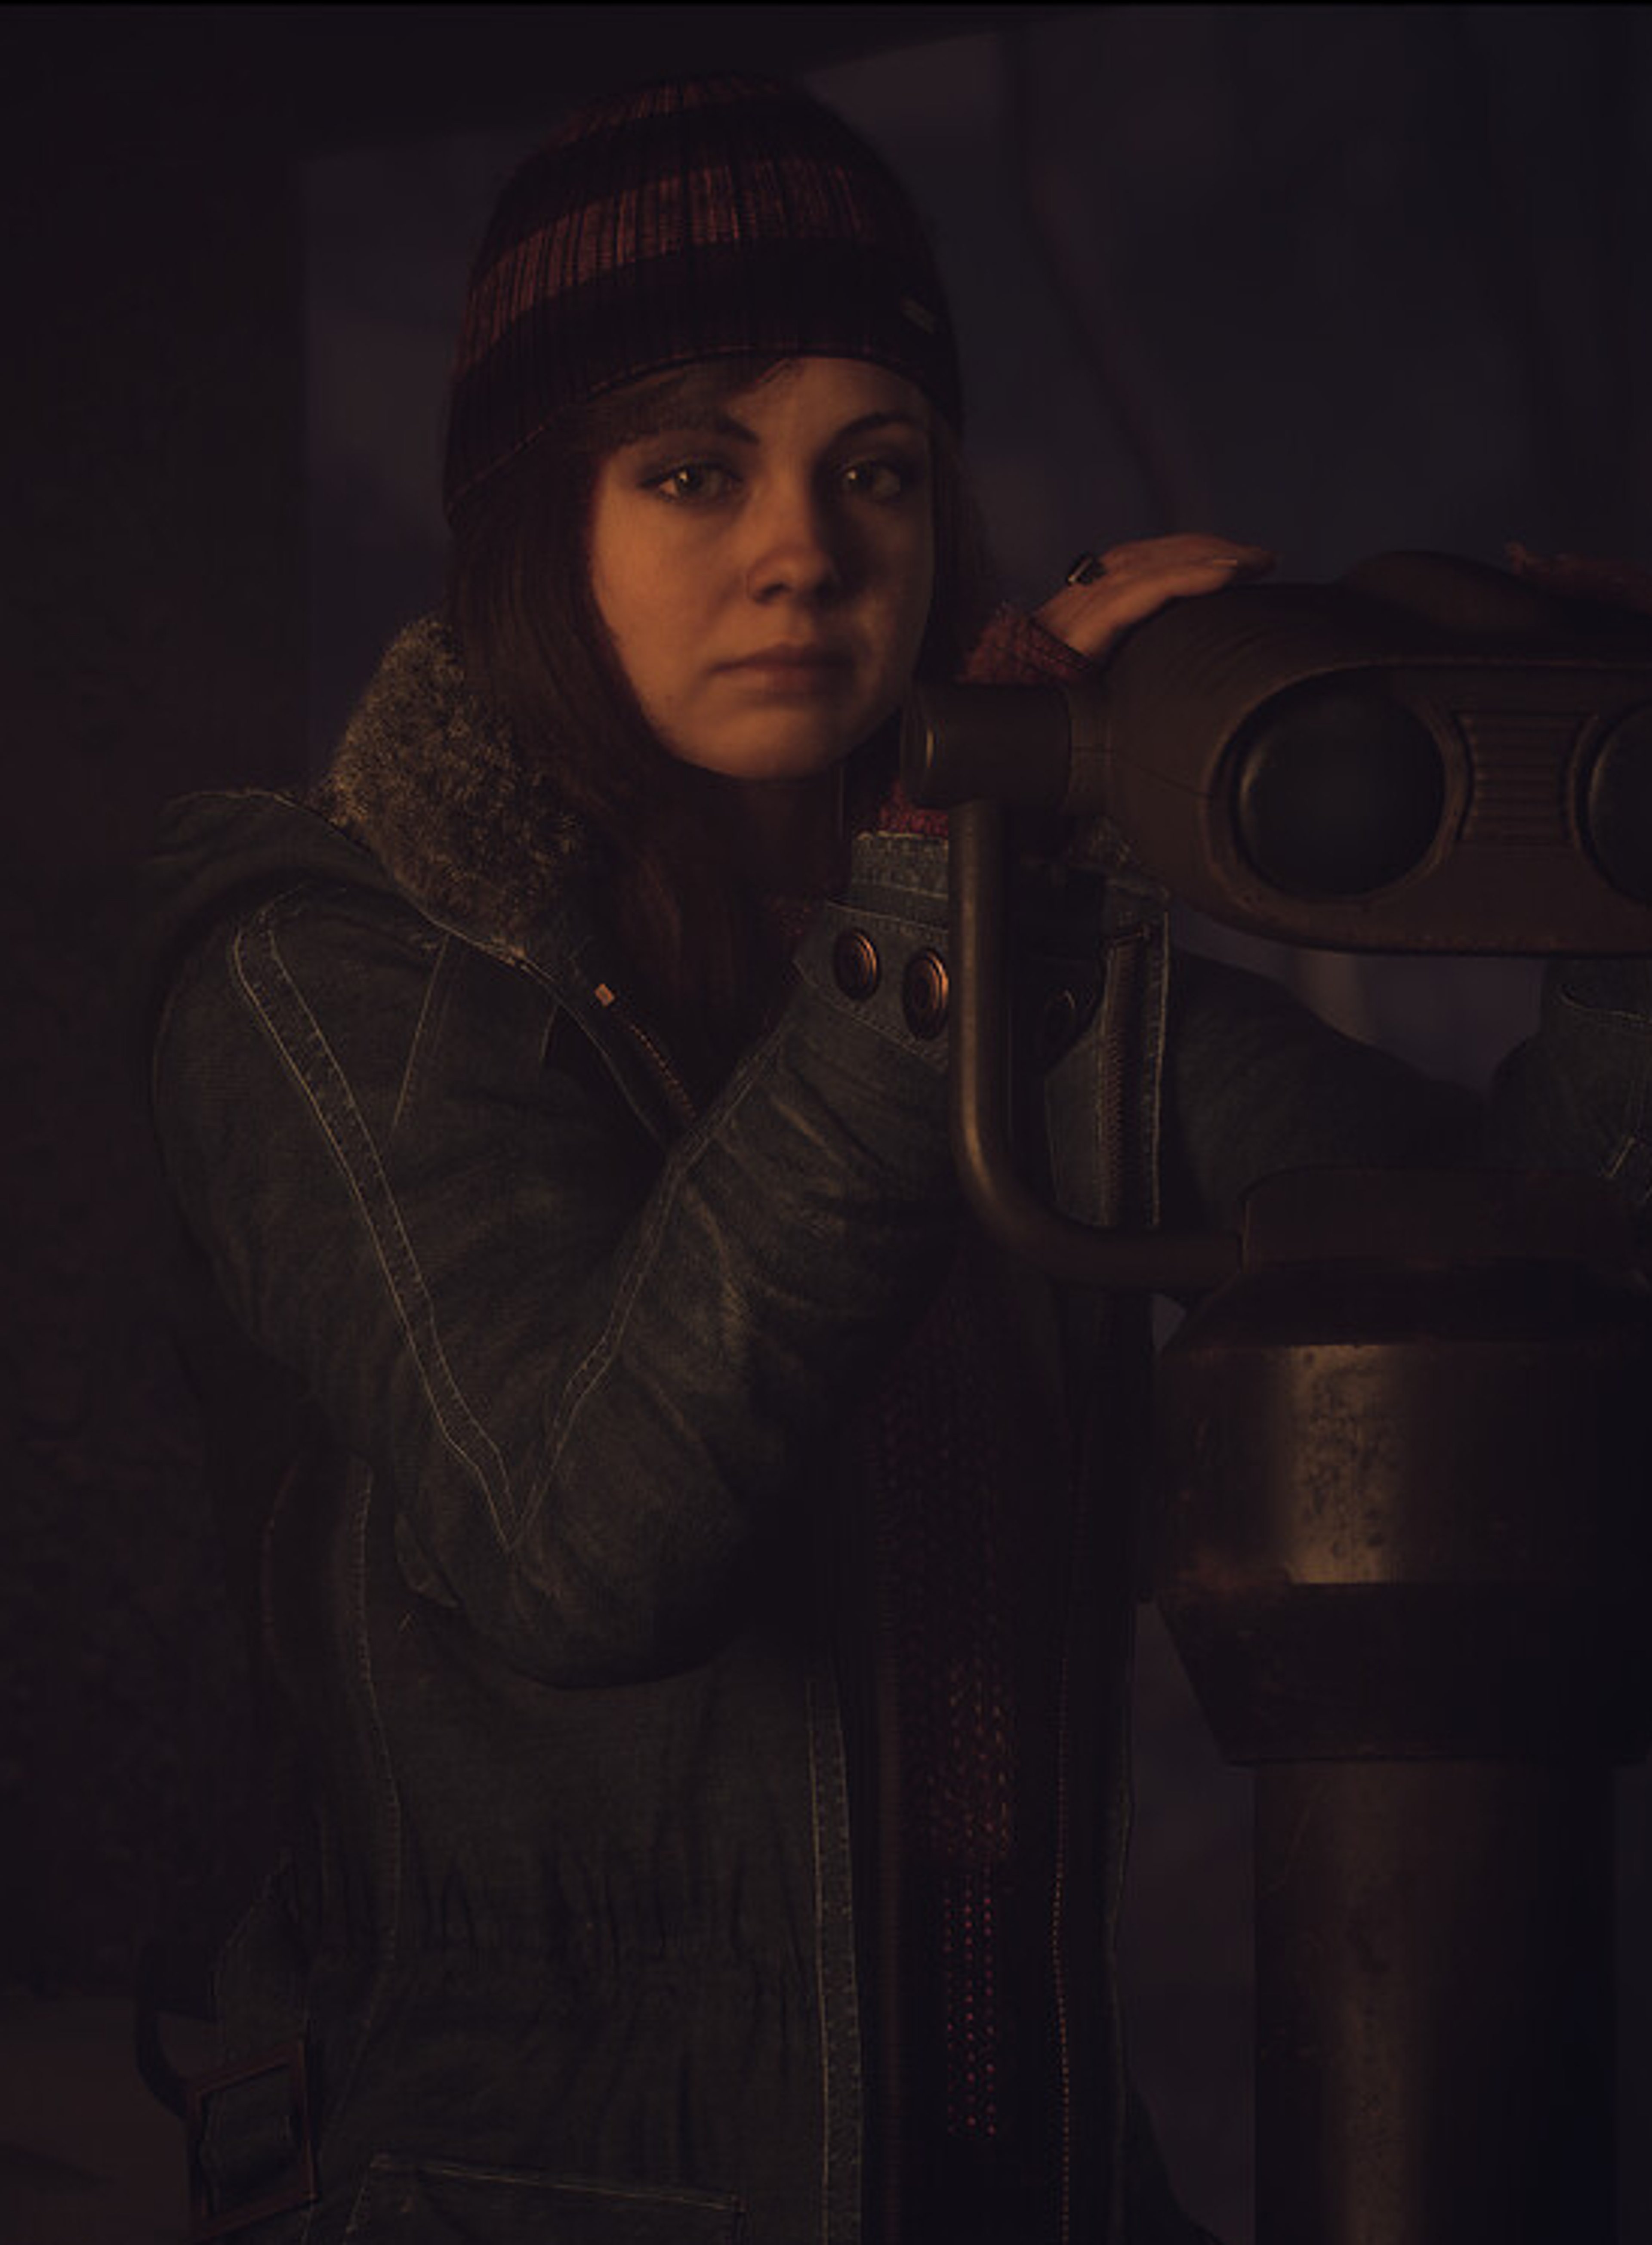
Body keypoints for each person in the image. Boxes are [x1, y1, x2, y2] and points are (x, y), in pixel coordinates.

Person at [135, 72, 1650, 2245]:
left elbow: (1523, 1282)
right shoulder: (326, 953)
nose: (805, 552)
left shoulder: (1015, 961)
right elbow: (583, 1547)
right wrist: (944, 894)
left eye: (878, 470)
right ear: (528, 523)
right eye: (690, 469)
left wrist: (1623, 885)